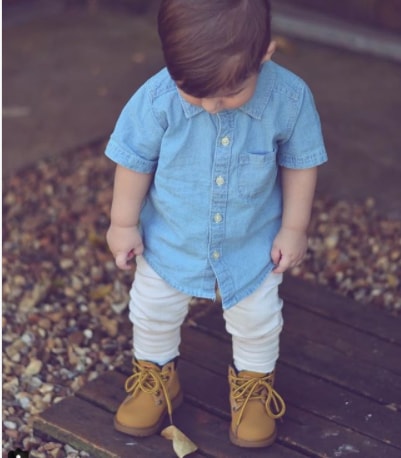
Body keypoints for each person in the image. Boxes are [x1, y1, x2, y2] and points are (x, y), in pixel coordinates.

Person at [105, 0, 327, 449]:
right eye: (194, 91)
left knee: (259, 320)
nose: (210, 106)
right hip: (169, 239)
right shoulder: (156, 99)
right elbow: (134, 162)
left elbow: (301, 164)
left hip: (252, 243)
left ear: (265, 53)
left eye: (227, 93)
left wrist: (294, 228)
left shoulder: (290, 99)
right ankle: (157, 379)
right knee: (151, 311)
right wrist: (123, 223)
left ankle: (254, 390)